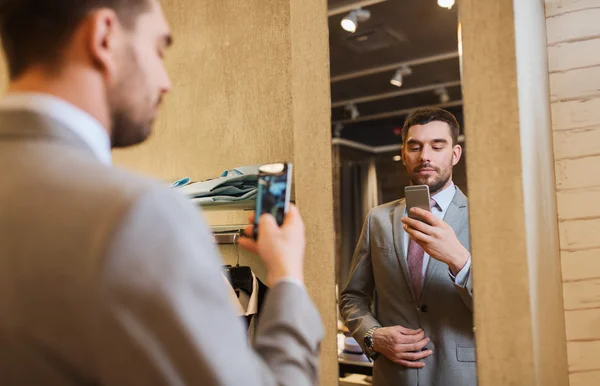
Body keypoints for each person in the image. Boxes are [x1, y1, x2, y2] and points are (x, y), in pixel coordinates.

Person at [0, 1, 322, 385]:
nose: (165, 81)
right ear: (104, 37)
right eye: (158, 49)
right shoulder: (138, 215)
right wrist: (287, 275)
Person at [339, 108, 476, 386]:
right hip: (393, 377)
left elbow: (504, 308)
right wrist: (373, 336)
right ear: (403, 154)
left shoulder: (482, 217)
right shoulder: (377, 218)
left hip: (459, 376)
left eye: (437, 146)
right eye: (415, 147)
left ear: (455, 154)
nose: (425, 155)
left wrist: (460, 261)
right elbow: (352, 297)